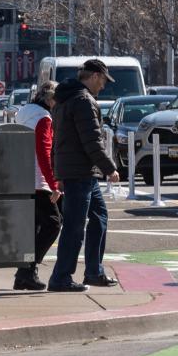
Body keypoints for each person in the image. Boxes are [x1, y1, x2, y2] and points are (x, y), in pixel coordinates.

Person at [47, 59, 120, 292]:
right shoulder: (83, 101)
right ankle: (61, 277)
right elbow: (92, 141)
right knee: (74, 226)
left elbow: (60, 139)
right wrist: (110, 168)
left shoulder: (65, 98)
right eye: (103, 81)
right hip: (80, 171)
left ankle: (94, 271)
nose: (104, 86)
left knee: (99, 217)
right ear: (95, 76)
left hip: (78, 170)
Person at [14, 81, 62, 291]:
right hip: (38, 181)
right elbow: (43, 152)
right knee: (53, 223)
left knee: (34, 227)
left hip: (21, 176)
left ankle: (25, 273)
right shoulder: (44, 118)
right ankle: (27, 270)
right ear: (50, 99)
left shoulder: (23, 113)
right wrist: (54, 184)